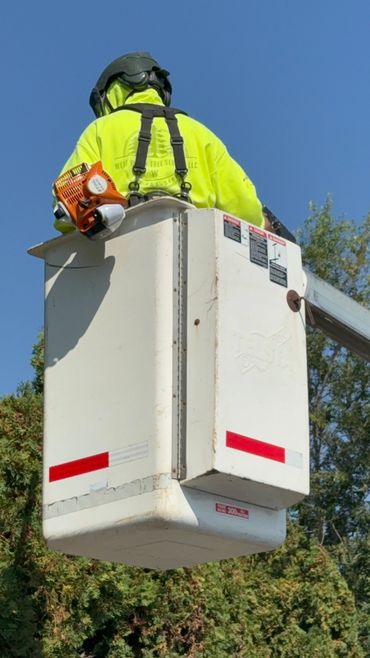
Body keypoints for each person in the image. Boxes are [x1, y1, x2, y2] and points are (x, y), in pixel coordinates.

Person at [54, 51, 268, 234]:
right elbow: (245, 210)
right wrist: (262, 222)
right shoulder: (201, 134)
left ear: (113, 92)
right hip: (199, 260)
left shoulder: (99, 131)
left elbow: (64, 207)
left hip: (117, 259)